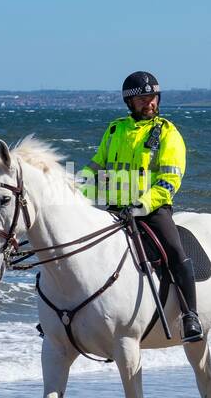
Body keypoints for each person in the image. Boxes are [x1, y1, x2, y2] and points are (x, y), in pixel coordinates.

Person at [78, 71, 202, 342]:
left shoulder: (168, 133)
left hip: (152, 210)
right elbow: (97, 166)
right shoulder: (115, 129)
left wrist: (142, 204)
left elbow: (170, 179)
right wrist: (76, 188)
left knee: (175, 252)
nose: (150, 103)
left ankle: (190, 315)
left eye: (153, 97)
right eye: (143, 99)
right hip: (114, 209)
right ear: (130, 103)